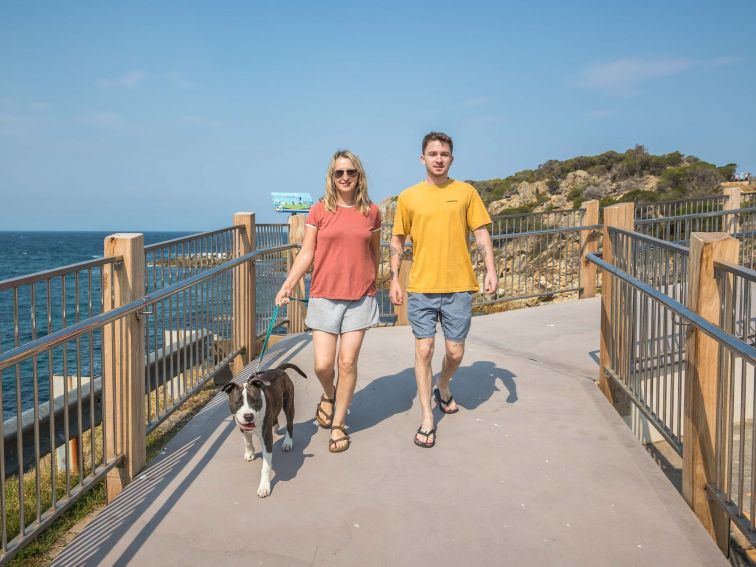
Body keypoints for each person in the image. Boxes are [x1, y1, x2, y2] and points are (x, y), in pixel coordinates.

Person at [389, 132, 498, 448]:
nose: (439, 158)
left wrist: (490, 269)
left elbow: (480, 234)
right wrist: (394, 278)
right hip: (421, 287)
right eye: (433, 153)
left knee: (455, 352)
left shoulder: (466, 193)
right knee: (424, 350)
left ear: (452, 158)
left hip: (459, 287)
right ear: (422, 158)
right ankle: (427, 418)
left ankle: (444, 384)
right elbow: (398, 240)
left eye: (444, 154)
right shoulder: (408, 197)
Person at [275, 150, 381, 453]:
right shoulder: (319, 211)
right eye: (339, 173)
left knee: (347, 362)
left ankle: (338, 424)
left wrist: (373, 280)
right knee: (323, 366)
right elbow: (307, 252)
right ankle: (330, 394)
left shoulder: (371, 211)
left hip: (360, 297)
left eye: (351, 172)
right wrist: (288, 284)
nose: (345, 177)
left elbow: (375, 251)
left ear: (359, 176)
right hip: (323, 295)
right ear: (331, 177)